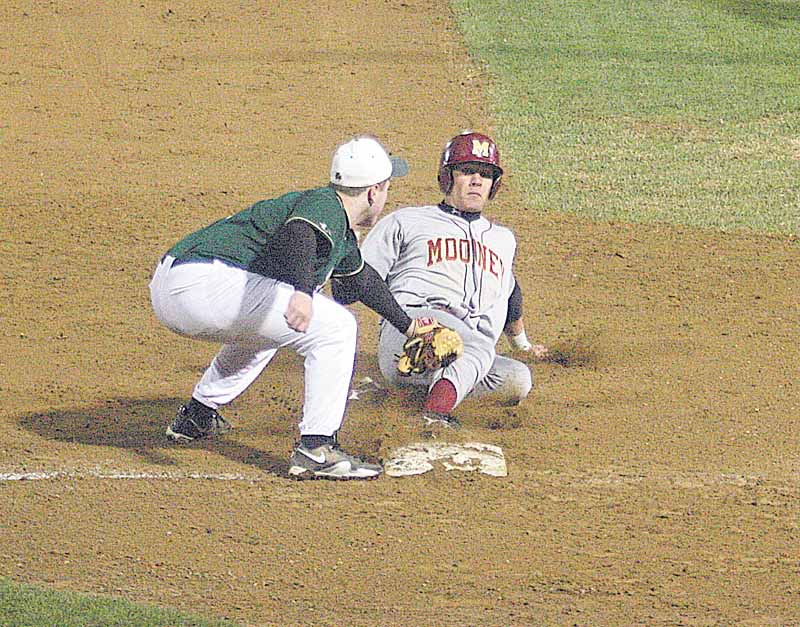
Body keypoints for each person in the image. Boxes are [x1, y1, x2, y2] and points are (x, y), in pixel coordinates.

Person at [149, 134, 440, 480]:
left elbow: (361, 280)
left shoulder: (339, 230)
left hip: (181, 285)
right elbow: (297, 235)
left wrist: (409, 326)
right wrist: (302, 292)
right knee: (336, 328)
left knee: (274, 329)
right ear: (374, 191)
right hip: (199, 282)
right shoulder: (325, 205)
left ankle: (196, 416)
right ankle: (317, 448)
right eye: (388, 187)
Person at [349, 130, 547, 429]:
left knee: (517, 379)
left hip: (460, 352)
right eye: (467, 171)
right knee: (478, 348)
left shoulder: (503, 240)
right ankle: (433, 418)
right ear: (448, 177)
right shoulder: (407, 221)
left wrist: (521, 343)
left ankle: (400, 398)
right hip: (413, 331)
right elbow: (359, 274)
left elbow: (510, 291)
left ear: (494, 184)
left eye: (485, 174)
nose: (477, 180)